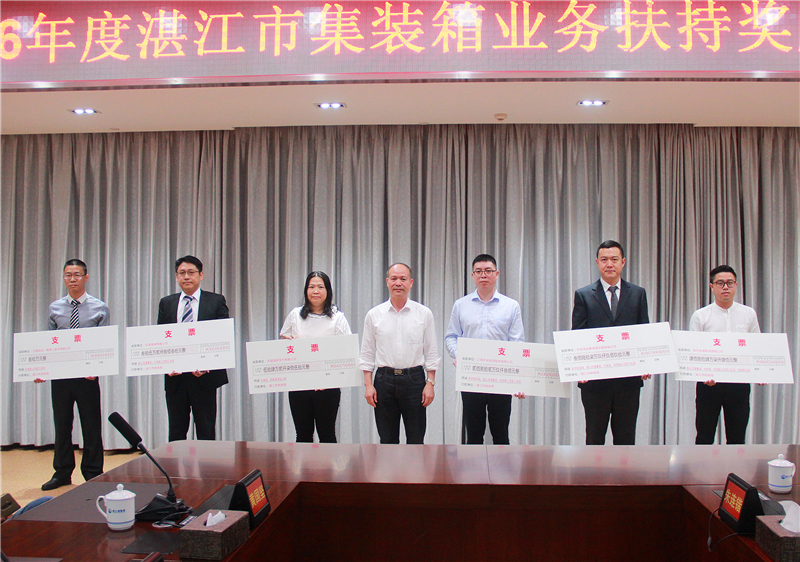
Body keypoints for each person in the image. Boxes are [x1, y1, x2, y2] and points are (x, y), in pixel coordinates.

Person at [38, 259, 108, 491]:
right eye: (68, 275)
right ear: (64, 278)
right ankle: (62, 472)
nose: (72, 279)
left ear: (85, 278)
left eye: (77, 275)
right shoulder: (55, 307)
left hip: (87, 377)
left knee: (91, 425)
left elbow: (105, 343)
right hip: (61, 377)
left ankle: (93, 472)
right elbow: (49, 341)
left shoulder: (100, 307)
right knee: (62, 425)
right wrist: (42, 369)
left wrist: (97, 368)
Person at [572, 240, 651, 445]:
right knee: (594, 439)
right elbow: (577, 335)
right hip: (595, 383)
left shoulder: (638, 293)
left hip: (628, 381)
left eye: (614, 259)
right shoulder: (583, 295)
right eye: (604, 259)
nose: (609, 264)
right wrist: (579, 369)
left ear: (623, 262)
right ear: (597, 262)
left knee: (626, 440)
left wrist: (647, 363)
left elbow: (644, 331)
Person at [445, 254, 525, 445]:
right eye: (479, 271)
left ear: (496, 274)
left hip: (501, 378)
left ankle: (502, 466)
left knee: (501, 434)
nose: (483, 275)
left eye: (488, 271)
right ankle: (473, 467)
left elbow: (517, 343)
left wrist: (519, 379)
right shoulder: (461, 305)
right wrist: (459, 355)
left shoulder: (511, 306)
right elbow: (451, 337)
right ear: (472, 275)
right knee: (473, 435)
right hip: (472, 377)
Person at [360, 263, 441, 444]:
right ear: (387, 282)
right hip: (384, 380)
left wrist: (430, 383)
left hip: (414, 381)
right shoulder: (374, 315)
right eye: (394, 279)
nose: (398, 283)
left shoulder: (424, 313)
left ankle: (416, 466)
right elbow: (367, 353)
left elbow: (431, 351)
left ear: (411, 283)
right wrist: (368, 385)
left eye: (403, 279)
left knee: (416, 439)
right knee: (387, 440)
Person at [158, 256, 229, 442]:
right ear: (176, 276)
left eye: (191, 272)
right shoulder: (167, 303)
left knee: (206, 431)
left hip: (204, 377)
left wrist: (208, 364)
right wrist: (166, 364)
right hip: (176, 378)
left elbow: (222, 337)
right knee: (176, 430)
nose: (186, 277)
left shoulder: (215, 301)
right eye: (182, 273)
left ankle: (206, 463)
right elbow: (161, 337)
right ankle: (175, 462)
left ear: (201, 275)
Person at [690, 265, 760, 445]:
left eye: (730, 283)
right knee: (704, 437)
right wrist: (702, 374)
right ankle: (702, 465)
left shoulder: (748, 314)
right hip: (709, 385)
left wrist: (761, 372)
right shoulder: (700, 316)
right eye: (720, 283)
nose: (725, 287)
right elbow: (693, 351)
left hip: (739, 384)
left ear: (736, 285)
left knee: (737, 439)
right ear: (712, 286)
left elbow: (757, 346)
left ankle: (734, 465)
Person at [280, 271, 352, 443]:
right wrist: (287, 342)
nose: (316, 291)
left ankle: (329, 463)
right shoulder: (295, 315)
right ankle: (304, 463)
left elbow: (347, 350)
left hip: (327, 387)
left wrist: (329, 379)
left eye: (320, 287)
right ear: (306, 290)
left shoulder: (337, 318)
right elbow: (283, 342)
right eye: (311, 287)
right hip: (299, 384)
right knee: (303, 435)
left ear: (328, 291)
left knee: (327, 434)